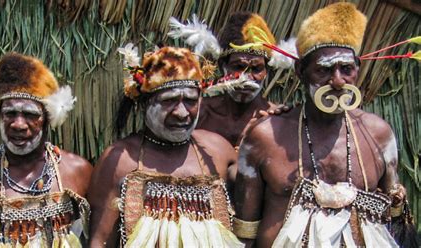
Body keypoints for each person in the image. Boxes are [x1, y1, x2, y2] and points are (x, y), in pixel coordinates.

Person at [233, 3, 411, 247]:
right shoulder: (265, 137)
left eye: (346, 69)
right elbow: (243, 234)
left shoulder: (378, 135)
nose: (337, 81)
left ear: (358, 69)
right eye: (324, 70)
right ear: (300, 71)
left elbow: (394, 222)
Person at [88, 46, 242, 247]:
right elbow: (99, 242)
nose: (181, 112)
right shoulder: (120, 161)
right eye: (169, 101)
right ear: (145, 103)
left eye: (190, 100)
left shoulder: (218, 151)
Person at [0, 53, 93, 247]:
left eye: (29, 114)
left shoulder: (78, 172)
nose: (18, 124)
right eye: (10, 113)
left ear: (47, 119)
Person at [196, 12, 290, 148]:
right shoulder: (200, 113)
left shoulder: (276, 121)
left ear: (267, 71)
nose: (246, 77)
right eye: (239, 67)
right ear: (223, 67)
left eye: (256, 68)